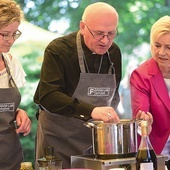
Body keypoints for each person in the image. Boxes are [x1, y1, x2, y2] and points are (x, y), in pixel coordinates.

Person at [34, 2, 121, 169]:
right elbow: (48, 96)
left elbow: (114, 94)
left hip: (95, 145)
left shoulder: (114, 52)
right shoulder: (58, 50)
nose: (105, 40)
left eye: (111, 33)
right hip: (58, 143)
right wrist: (92, 110)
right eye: (99, 34)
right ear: (82, 27)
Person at [130, 15, 170, 167]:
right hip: (156, 154)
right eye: (157, 45)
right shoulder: (141, 75)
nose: (161, 52)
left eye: (169, 47)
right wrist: (144, 121)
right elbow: (141, 116)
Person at [0, 0, 31, 169]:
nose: (11, 40)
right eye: (5, 34)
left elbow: (7, 108)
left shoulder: (12, 64)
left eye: (14, 33)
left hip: (10, 156)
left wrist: (19, 112)